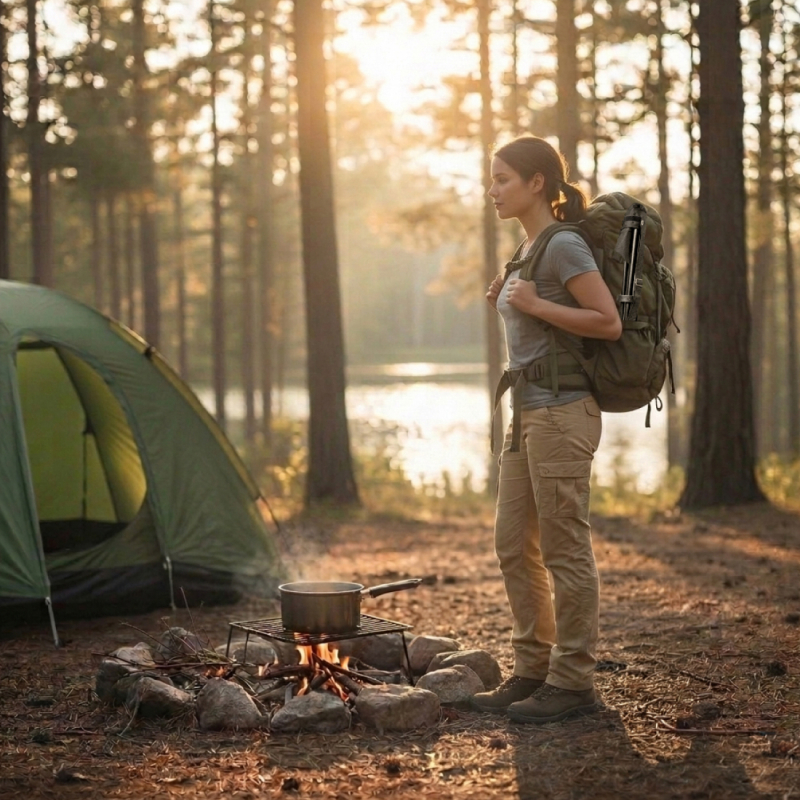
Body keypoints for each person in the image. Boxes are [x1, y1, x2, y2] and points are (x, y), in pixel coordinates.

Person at [470, 134, 622, 725]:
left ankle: (573, 680)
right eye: (492, 179)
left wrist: (534, 306)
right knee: (513, 545)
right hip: (526, 413)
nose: (492, 190)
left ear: (538, 182)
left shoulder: (562, 245)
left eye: (503, 178)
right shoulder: (528, 249)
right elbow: (539, 320)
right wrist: (509, 301)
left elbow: (606, 322)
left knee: (563, 549)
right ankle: (533, 669)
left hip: (563, 413)